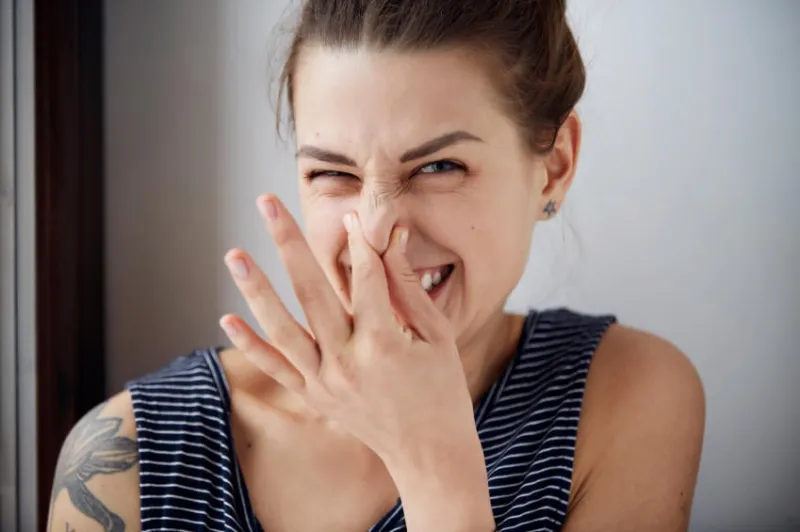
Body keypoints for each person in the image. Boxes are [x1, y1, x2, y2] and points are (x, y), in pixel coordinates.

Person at [47, 1, 705, 531]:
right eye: (333, 172)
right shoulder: (124, 461)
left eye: (440, 166)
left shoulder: (626, 398)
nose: (379, 230)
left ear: (554, 165)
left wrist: (436, 473)